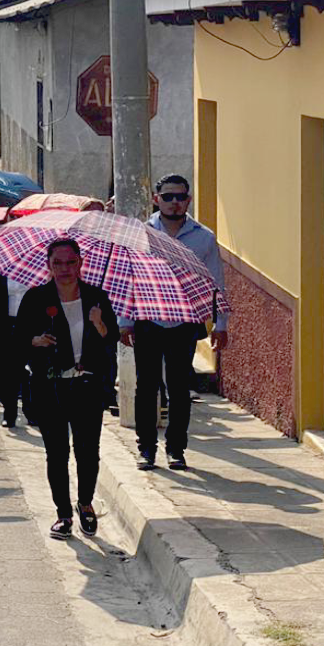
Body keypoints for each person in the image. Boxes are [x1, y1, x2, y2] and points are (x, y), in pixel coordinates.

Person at [118, 175, 228, 472]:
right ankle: (146, 449)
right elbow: (129, 277)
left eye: (180, 196)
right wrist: (125, 321)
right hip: (148, 320)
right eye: (168, 197)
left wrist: (221, 323)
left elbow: (215, 280)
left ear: (188, 200)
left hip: (183, 322)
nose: (174, 202)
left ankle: (176, 449)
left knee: (179, 389)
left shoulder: (203, 237)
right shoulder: (141, 234)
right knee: (146, 387)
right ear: (157, 199)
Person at [19, 238, 118, 540]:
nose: (65, 269)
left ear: (80, 263)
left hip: (87, 385)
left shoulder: (96, 297)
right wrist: (34, 341)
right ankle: (63, 514)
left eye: (70, 262)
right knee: (57, 453)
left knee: (88, 452)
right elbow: (17, 341)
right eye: (57, 263)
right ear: (48, 265)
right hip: (51, 387)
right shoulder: (36, 298)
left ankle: (85, 504)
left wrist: (99, 324)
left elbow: (111, 337)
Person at [0, 262, 31, 427]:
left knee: (26, 370)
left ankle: (29, 411)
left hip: (28, 325)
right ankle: (9, 407)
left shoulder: (38, 269)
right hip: (2, 325)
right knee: (1, 373)